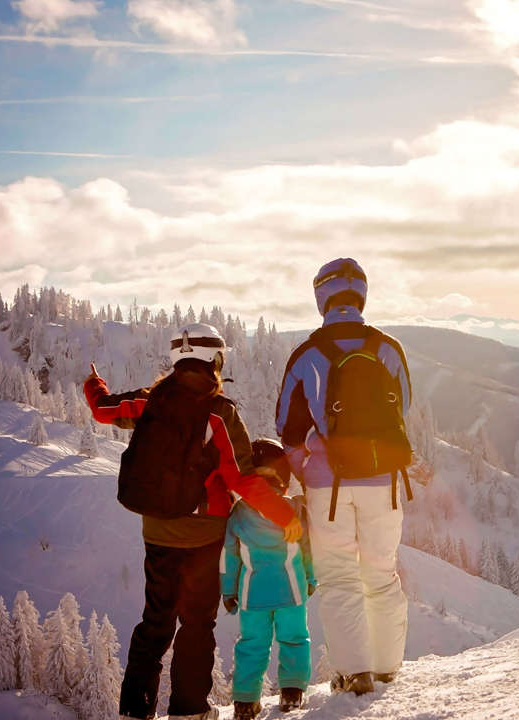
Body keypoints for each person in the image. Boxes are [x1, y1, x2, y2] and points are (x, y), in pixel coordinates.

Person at [84, 323, 301, 720]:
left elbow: (104, 410)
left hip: (158, 531)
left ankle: (135, 710)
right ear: (215, 360)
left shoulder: (151, 402)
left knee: (155, 620)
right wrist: (284, 512)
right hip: (204, 536)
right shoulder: (219, 412)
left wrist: (94, 384)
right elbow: (241, 477)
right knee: (197, 624)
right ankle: (189, 711)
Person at [275, 258, 412, 696]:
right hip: (385, 482)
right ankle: (388, 667)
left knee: (338, 579)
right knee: (382, 573)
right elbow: (402, 409)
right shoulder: (388, 348)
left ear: (322, 297)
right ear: (361, 295)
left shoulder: (306, 354)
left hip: (329, 487)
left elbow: (287, 428)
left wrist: (309, 470)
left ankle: (356, 673)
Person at [221, 438, 316, 719]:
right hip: (292, 590)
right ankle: (292, 692)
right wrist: (311, 578)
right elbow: (308, 548)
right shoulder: (295, 511)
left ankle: (246, 702)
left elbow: (230, 556)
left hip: (253, 594)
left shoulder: (238, 514)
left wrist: (228, 590)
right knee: (295, 639)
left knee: (252, 644)